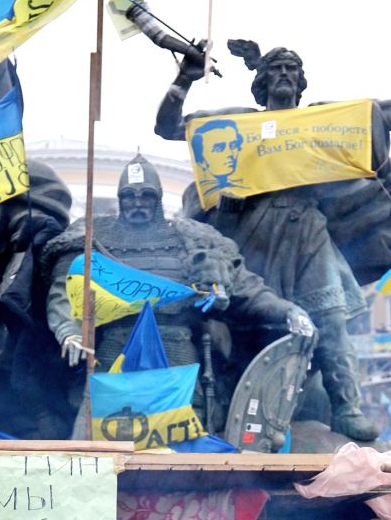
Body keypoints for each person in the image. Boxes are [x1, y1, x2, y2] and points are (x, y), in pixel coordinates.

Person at [154, 41, 391, 441]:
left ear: (301, 82)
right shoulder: (237, 125)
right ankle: (226, 409)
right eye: (275, 69)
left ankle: (346, 407)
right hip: (249, 236)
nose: (283, 75)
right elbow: (168, 127)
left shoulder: (323, 123)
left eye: (291, 70)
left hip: (306, 231)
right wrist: (184, 79)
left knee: (330, 319)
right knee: (240, 324)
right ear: (259, 83)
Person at [40, 154, 316, 447]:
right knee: (92, 447)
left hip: (177, 360)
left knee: (185, 452)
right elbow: (66, 292)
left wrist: (288, 310)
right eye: (129, 196)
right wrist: (68, 332)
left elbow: (245, 289)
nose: (137, 203)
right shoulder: (92, 238)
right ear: (120, 199)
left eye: (146, 195)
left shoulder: (194, 241)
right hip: (115, 356)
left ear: (157, 199)